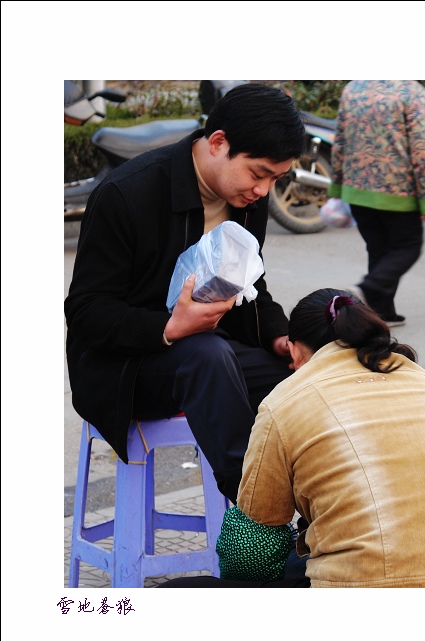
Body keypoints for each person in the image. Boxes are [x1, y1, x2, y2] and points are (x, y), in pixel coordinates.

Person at [164, 287, 425, 588]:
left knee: (178, 594)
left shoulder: (286, 400)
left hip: (362, 587)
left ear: (294, 350)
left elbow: (255, 537)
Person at [64, 83, 306, 504]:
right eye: (258, 173)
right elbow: (86, 311)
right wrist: (169, 327)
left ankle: (324, 515)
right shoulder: (126, 194)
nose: (264, 190)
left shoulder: (247, 199)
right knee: (206, 356)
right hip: (125, 368)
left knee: (306, 374)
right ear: (218, 143)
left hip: (212, 352)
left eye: (276, 178)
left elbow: (252, 284)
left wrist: (280, 336)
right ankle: (257, 513)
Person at [328, 80, 425, 327]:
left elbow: (340, 141)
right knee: (408, 246)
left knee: (379, 249)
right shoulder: (412, 93)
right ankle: (366, 290)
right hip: (397, 191)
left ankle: (381, 313)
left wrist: (337, 186)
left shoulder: (353, 89)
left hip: (357, 190)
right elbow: (423, 150)